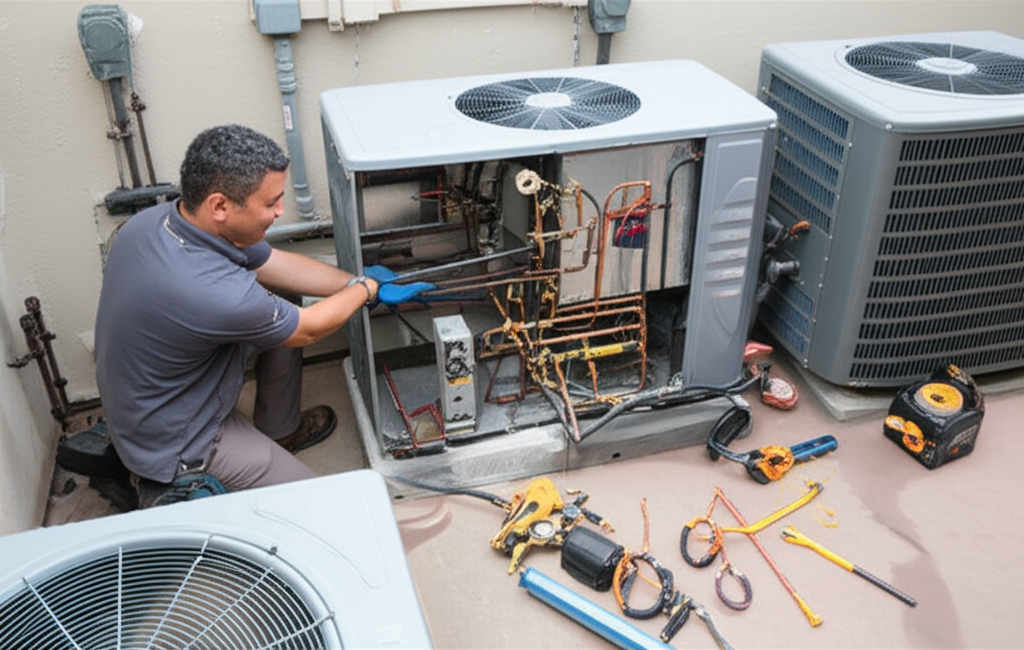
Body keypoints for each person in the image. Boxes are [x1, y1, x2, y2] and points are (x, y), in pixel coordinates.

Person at [94, 124, 432, 506]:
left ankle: (280, 428)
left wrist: (355, 280)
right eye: (271, 203)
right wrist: (367, 291)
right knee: (324, 504)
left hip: (153, 393)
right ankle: (167, 484)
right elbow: (308, 329)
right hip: (180, 438)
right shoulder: (212, 291)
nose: (280, 211)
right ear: (220, 205)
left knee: (280, 293)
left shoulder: (157, 222)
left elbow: (275, 264)